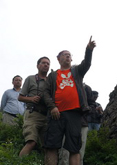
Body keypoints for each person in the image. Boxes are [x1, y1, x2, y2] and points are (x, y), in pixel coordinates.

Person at [43, 36, 96, 165]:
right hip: (56, 114)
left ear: (71, 59)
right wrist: (52, 107)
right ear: (58, 58)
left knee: (74, 147)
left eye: (69, 55)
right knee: (52, 145)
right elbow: (45, 92)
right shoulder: (53, 75)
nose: (67, 56)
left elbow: (87, 64)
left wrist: (88, 50)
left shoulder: (77, 71)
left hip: (74, 114)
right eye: (64, 54)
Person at [18, 56, 51, 157]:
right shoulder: (30, 79)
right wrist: (31, 99)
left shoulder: (51, 81)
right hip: (33, 114)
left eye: (48, 64)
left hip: (47, 116)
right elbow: (20, 97)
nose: (46, 65)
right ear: (38, 66)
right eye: (43, 63)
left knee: (48, 146)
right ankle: (19, 163)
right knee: (31, 142)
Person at [59, 84, 94, 165]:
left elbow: (92, 104)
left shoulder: (86, 88)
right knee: (64, 152)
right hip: (67, 122)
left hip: (82, 123)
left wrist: (85, 110)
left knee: (80, 151)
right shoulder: (65, 85)